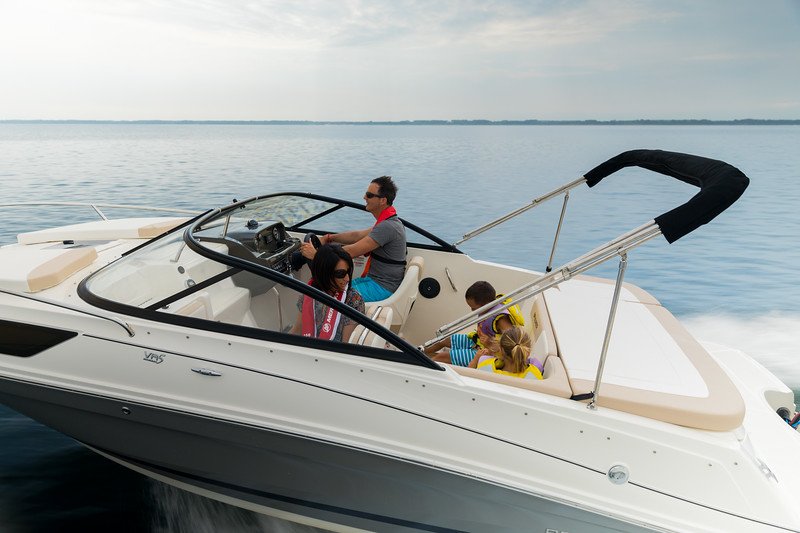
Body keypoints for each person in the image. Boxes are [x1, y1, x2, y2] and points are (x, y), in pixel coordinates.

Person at [300, 176, 406, 302]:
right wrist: (330, 237)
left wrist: (317, 255)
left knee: (329, 295)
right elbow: (356, 236)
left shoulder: (388, 227)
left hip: (382, 287)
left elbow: (351, 252)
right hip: (374, 280)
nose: (364, 198)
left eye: (369, 195)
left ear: (382, 200)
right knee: (330, 288)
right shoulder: (388, 223)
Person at [424, 281, 522, 366]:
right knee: (443, 340)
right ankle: (415, 353)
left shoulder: (501, 320)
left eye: (474, 308)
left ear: (486, 304)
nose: (472, 311)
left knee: (441, 357)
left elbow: (512, 345)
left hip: (488, 353)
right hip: (478, 342)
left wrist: (490, 343)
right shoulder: (489, 308)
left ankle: (421, 368)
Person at [289, 244, 365, 343]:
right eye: (340, 274)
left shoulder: (353, 300)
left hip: (334, 354)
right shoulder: (307, 294)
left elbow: (347, 345)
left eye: (348, 272)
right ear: (324, 273)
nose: (347, 279)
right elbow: (297, 330)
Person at [469, 326, 544, 380]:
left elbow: (467, 378)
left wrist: (476, 360)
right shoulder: (535, 375)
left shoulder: (484, 365)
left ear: (501, 350)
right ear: (528, 352)